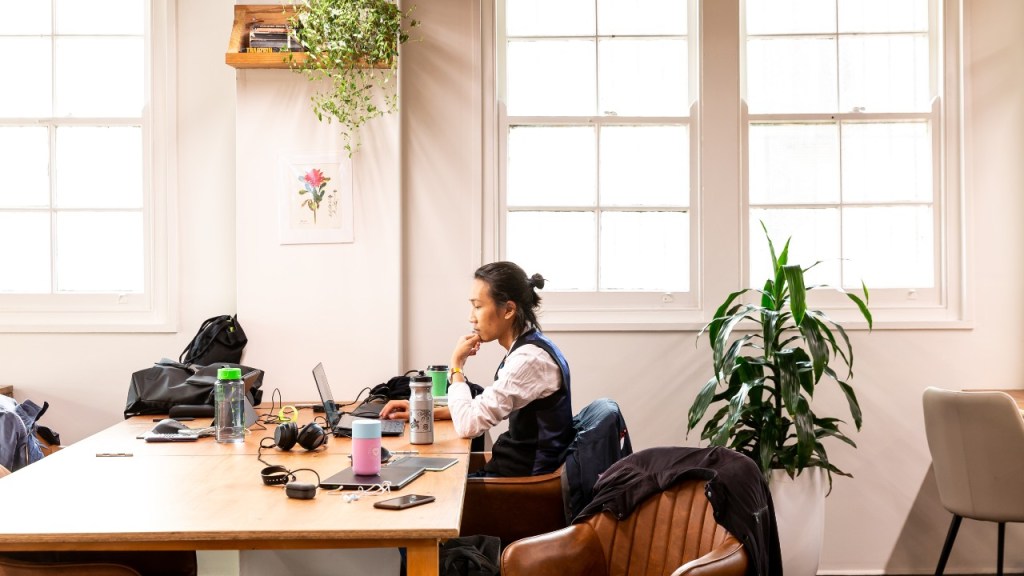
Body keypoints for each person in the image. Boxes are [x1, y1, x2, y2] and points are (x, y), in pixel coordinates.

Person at [381, 261, 574, 477]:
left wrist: (456, 367)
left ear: (509, 309)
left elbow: (468, 425)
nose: (471, 317)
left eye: (478, 306)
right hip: (514, 467)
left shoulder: (529, 360)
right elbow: (481, 409)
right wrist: (424, 412)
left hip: (521, 482)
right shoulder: (530, 348)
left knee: (420, 478)